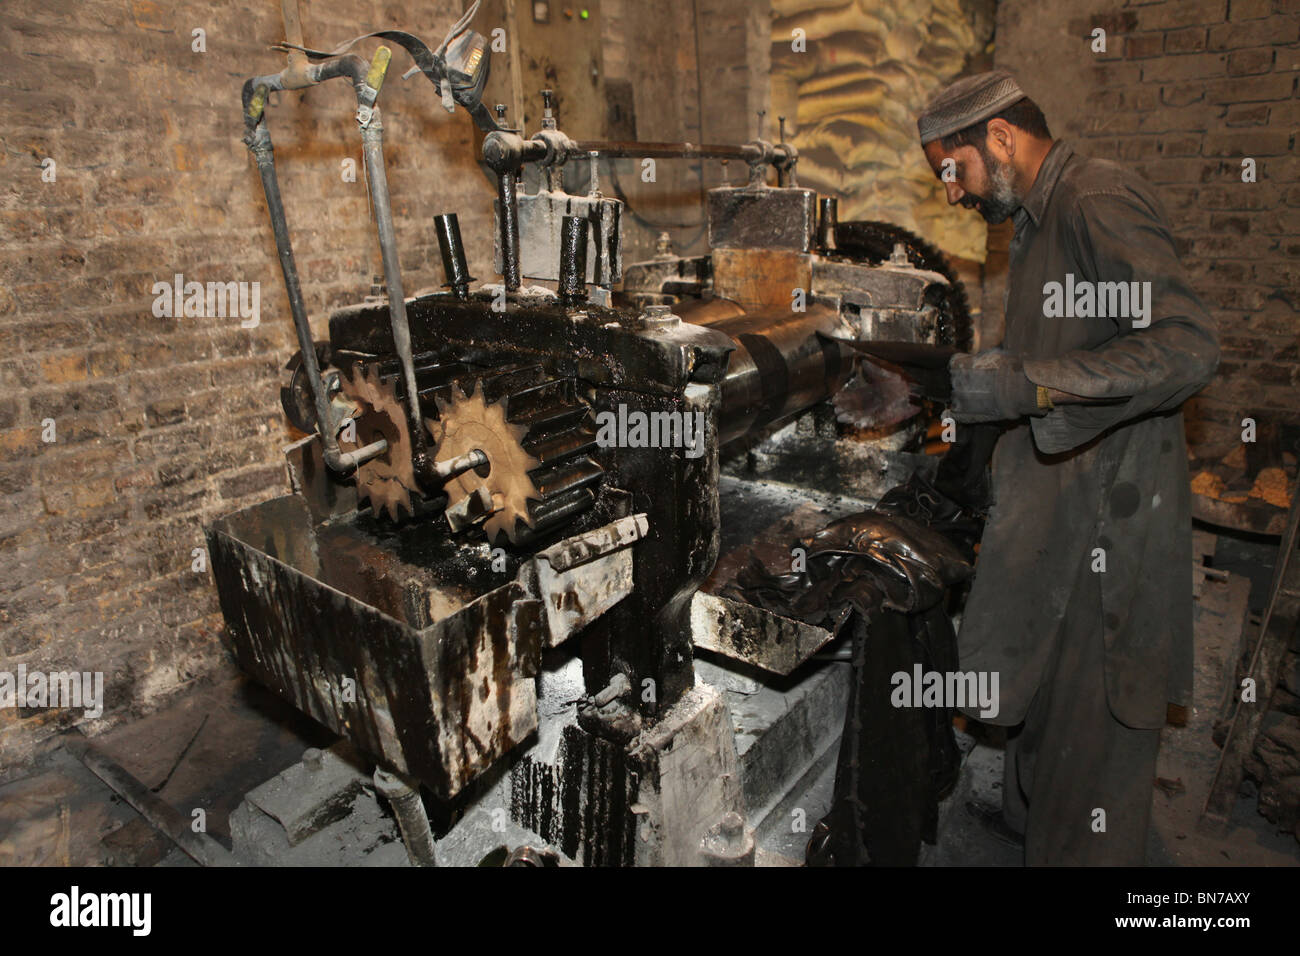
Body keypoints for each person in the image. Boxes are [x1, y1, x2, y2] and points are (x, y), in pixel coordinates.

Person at [915, 71, 1220, 864]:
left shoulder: (1093, 199)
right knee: (1043, 705)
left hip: (1110, 522)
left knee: (1095, 729)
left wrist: (1014, 384)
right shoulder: (1033, 220)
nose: (951, 194)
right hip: (1058, 505)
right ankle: (1031, 830)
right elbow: (1065, 354)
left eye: (955, 170)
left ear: (1003, 138)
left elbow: (1186, 347)